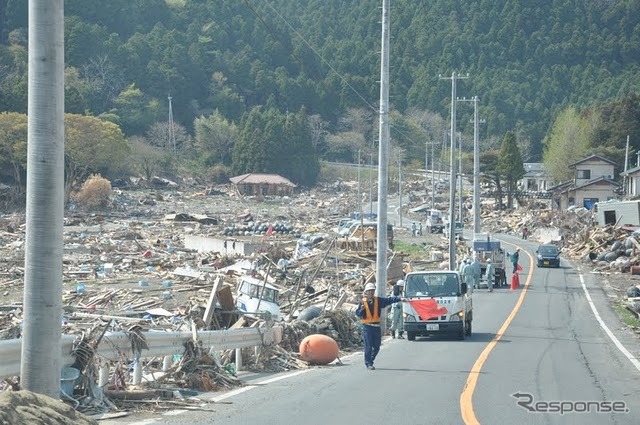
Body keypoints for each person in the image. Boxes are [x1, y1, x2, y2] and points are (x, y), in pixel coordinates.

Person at [355, 282, 406, 370]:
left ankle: (371, 359)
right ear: (366, 292)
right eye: (369, 291)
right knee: (368, 346)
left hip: (376, 327)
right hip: (367, 327)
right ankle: (368, 363)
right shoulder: (362, 303)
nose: (371, 293)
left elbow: (389, 300)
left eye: (372, 291)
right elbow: (358, 313)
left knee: (377, 347)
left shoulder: (378, 301)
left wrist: (400, 299)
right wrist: (362, 310)